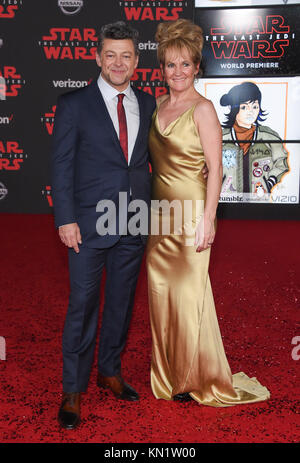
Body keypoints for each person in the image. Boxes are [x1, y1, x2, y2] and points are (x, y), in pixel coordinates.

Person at [146, 19, 271, 406]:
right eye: (170, 64)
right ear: (162, 69)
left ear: (197, 67)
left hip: (191, 214)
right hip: (158, 213)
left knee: (188, 295)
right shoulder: (157, 104)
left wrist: (209, 218)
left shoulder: (203, 111)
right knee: (160, 293)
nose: (178, 72)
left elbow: (217, 169)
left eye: (185, 64)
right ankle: (167, 373)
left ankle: (191, 375)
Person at [51, 21, 157, 429]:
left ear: (135, 61)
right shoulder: (74, 104)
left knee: (121, 303)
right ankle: (72, 389)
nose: (118, 62)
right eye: (110, 54)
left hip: (133, 220)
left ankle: (109, 370)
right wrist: (65, 219)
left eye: (126, 55)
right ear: (98, 58)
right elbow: (60, 166)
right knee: (82, 306)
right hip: (87, 225)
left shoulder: (147, 103)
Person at [220, 81, 289, 199]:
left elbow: (281, 163)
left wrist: (269, 182)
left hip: (260, 202)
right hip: (226, 202)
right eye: (244, 107)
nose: (251, 111)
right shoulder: (221, 138)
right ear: (233, 109)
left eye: (255, 106)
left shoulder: (269, 137)